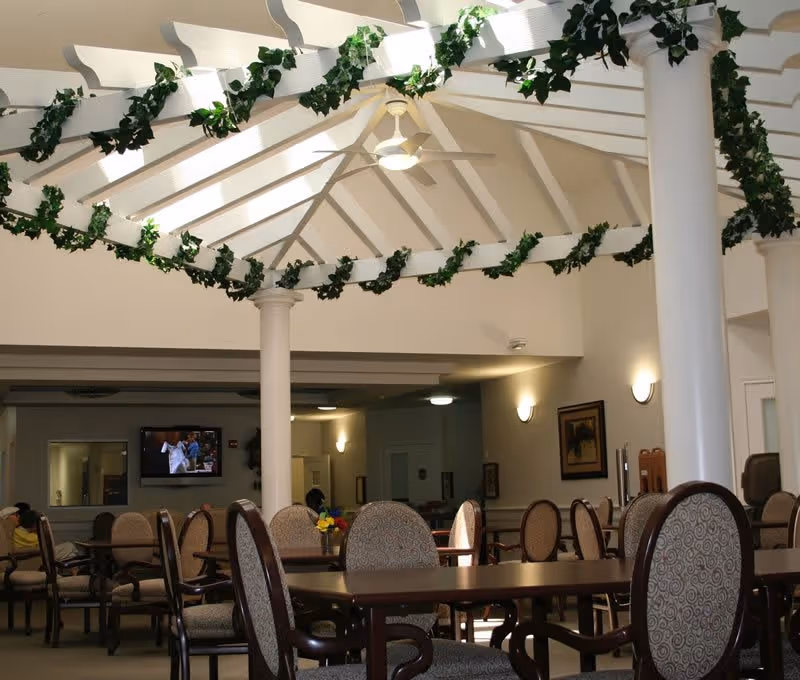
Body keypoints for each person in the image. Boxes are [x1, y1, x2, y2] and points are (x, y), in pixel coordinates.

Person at [13, 510, 80, 562]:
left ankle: (75, 574)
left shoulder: (17, 530)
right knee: (70, 546)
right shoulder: (29, 535)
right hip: (39, 556)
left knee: (71, 553)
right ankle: (76, 574)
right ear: (34, 524)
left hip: (40, 553)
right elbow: (43, 544)